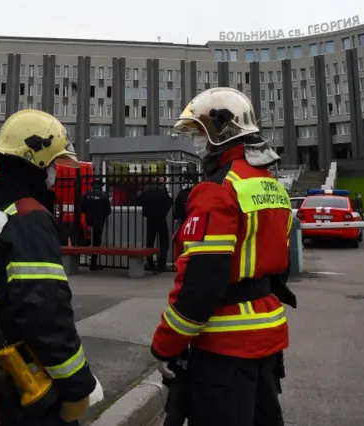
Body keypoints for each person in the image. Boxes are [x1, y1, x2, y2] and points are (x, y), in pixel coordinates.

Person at [150, 87, 298, 426]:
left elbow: (201, 284)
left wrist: (165, 345)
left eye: (200, 135)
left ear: (220, 133)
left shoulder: (216, 191)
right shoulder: (270, 185)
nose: (197, 145)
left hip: (224, 347)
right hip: (267, 335)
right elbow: (280, 265)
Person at [0, 109, 98, 426]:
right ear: (35, 161)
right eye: (51, 164)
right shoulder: (27, 217)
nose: (53, 172)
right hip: (23, 384)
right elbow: (44, 311)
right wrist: (77, 384)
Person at [135, 176, 172, 272]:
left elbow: (139, 201)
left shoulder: (146, 190)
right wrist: (165, 211)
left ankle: (150, 263)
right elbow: (168, 202)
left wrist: (147, 210)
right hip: (161, 217)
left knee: (150, 241)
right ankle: (161, 263)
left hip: (150, 218)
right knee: (164, 241)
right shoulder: (163, 190)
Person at [80, 179, 111, 271]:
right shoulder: (104, 195)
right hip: (99, 221)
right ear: (101, 186)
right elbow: (108, 210)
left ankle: (88, 260)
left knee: (89, 239)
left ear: (92, 185)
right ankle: (93, 263)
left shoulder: (86, 194)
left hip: (89, 220)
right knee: (97, 241)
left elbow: (82, 208)